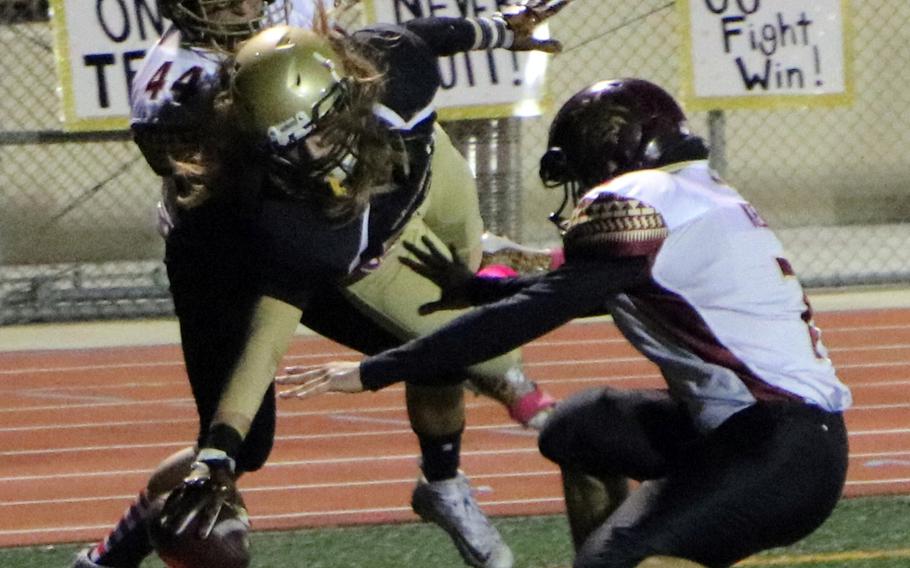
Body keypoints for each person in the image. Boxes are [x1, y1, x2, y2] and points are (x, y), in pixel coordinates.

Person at [276, 78, 854, 568]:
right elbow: (591, 292)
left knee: (616, 561)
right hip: (762, 433)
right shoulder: (698, 193)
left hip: (780, 449)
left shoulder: (639, 199)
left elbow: (532, 316)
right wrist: (475, 287)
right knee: (580, 428)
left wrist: (377, 369)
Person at [73, 2, 565, 567]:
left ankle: (443, 482)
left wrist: (499, 28)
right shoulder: (182, 103)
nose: (237, 5)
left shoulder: (386, 77)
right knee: (246, 448)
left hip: (332, 222)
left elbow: (408, 40)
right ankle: (108, 559)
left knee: (443, 353)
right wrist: (219, 448)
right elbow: (267, 322)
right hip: (230, 254)